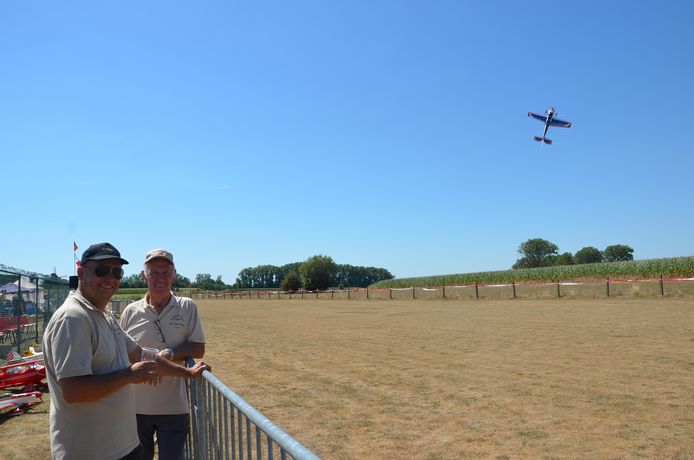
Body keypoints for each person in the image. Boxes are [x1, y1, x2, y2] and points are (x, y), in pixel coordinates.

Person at [42, 242, 210, 460]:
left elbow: (142, 355)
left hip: (121, 447)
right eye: (101, 270)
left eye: (116, 271)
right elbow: (74, 391)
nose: (110, 278)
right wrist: (129, 375)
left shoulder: (105, 316)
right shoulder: (73, 318)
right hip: (90, 451)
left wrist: (188, 373)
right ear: (81, 273)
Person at [120, 248, 206, 460]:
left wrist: (170, 353)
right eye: (154, 272)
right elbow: (121, 353)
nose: (160, 278)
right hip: (135, 409)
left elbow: (198, 348)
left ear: (174, 274)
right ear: (143, 275)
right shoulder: (130, 311)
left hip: (174, 408)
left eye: (166, 272)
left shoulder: (187, 307)